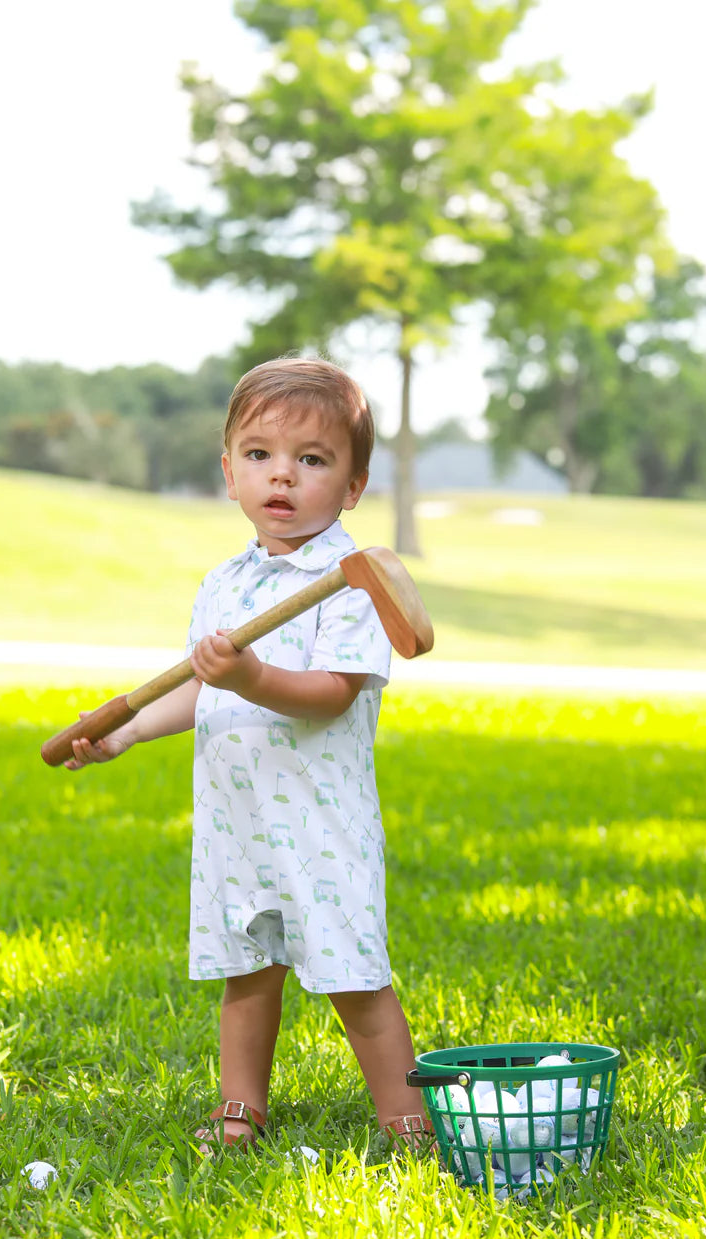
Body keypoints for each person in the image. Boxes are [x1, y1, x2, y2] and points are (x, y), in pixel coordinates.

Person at [64, 357, 432, 1154]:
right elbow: (207, 692)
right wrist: (123, 733)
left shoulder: (353, 583)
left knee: (354, 977)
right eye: (260, 454)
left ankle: (408, 1123)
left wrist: (253, 673)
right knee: (247, 971)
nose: (283, 476)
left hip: (318, 824)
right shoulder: (224, 583)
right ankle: (242, 1111)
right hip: (237, 825)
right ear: (228, 471)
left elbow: (333, 692)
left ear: (354, 485)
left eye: (312, 459)